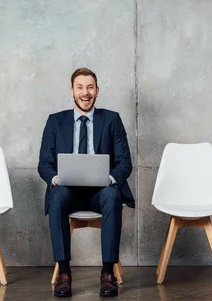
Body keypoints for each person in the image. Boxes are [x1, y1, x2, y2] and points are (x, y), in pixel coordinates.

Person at [38, 67, 135, 297]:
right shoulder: (55, 121)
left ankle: (107, 272)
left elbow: (125, 163)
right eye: (80, 87)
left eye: (90, 87)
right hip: (69, 192)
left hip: (100, 193)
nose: (85, 92)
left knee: (113, 195)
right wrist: (56, 178)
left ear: (97, 91)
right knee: (58, 195)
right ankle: (64, 273)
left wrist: (109, 178)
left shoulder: (112, 119)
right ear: (72, 91)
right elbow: (44, 164)